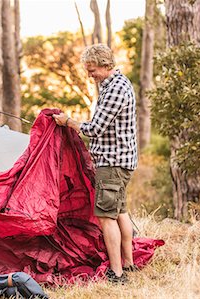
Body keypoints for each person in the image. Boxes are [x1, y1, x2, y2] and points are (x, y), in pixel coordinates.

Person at [53, 44, 138, 283]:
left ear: (105, 64)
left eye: (93, 70)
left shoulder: (115, 90)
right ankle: (128, 264)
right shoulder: (113, 85)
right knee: (120, 212)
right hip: (118, 161)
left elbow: (94, 129)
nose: (90, 75)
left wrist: (68, 121)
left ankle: (117, 273)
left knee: (106, 217)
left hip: (112, 163)